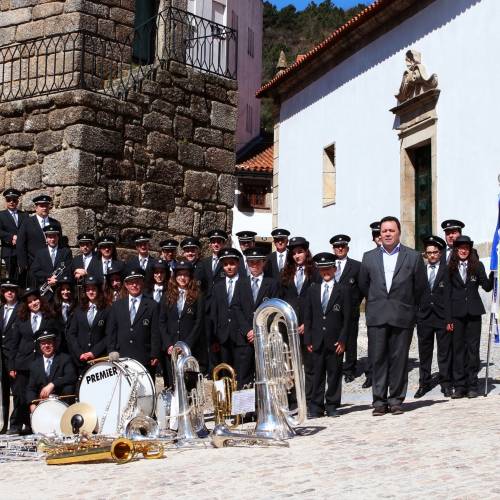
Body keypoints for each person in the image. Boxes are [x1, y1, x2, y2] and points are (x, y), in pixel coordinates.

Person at [359, 216, 426, 416]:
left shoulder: (412, 257)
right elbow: (364, 284)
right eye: (384, 231)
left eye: (391, 230)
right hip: (377, 315)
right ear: (380, 234)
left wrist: (410, 310)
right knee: (377, 358)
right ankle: (379, 401)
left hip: (402, 315)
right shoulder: (368, 257)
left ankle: (396, 400)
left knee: (399, 359)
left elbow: (420, 287)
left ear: (399, 233)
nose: (387, 234)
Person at [304, 252, 351, 418]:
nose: (326, 272)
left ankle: (332, 405)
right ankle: (316, 406)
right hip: (316, 340)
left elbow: (347, 319)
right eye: (322, 269)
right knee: (317, 374)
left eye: (329, 269)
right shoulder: (313, 289)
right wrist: (308, 338)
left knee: (334, 373)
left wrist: (343, 340)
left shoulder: (343, 290)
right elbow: (308, 316)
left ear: (334, 269)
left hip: (335, 340)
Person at [446, 235, 493, 399]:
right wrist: (448, 319)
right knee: (458, 350)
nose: (463, 251)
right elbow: (447, 294)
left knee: (473, 350)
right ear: (456, 250)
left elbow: (487, 287)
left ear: (469, 249)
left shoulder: (477, 265)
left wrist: (494, 273)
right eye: (460, 248)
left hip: (473, 313)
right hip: (456, 314)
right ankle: (460, 386)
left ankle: (473, 385)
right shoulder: (449, 267)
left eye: (466, 248)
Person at [6, 287, 58, 434]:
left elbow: (57, 338)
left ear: (40, 300)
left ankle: (33, 425)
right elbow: (13, 343)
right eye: (29, 302)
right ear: (26, 305)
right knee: (20, 396)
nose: (33, 303)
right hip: (22, 363)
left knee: (36, 395)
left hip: (40, 363)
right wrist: (11, 366)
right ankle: (16, 425)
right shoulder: (21, 318)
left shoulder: (49, 317)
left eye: (35, 300)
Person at [232, 247, 279, 388]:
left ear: (263, 263)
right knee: (244, 375)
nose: (254, 265)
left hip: (264, 336)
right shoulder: (241, 283)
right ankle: (246, 409)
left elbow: (274, 309)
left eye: (257, 262)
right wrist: (248, 330)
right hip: (245, 338)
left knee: (265, 373)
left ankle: (264, 407)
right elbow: (236, 307)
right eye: (251, 262)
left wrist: (259, 330)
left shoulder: (272, 283)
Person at [279, 237, 318, 406]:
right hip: (289, 326)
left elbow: (318, 302)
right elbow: (281, 300)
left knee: (310, 365)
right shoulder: (285, 274)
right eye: (294, 253)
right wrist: (288, 322)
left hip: (308, 326)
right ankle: (294, 399)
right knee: (291, 365)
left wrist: (307, 324)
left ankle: (310, 399)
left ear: (306, 252)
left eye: (300, 252)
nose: (297, 256)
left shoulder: (314, 273)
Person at [415, 235, 452, 398]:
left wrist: (449, 319)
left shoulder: (447, 270)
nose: (432, 255)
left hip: (441, 317)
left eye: (435, 252)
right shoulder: (420, 270)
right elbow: (415, 293)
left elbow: (450, 297)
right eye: (428, 252)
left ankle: (445, 382)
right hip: (424, 317)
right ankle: (424, 383)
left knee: (444, 352)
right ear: (425, 254)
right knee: (424, 352)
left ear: (440, 253)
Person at [106, 268, 160, 380]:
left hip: (144, 356)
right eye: (131, 282)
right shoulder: (117, 306)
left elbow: (155, 332)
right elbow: (111, 331)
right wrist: (111, 350)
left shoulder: (152, 305)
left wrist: (154, 353)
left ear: (143, 283)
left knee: (146, 392)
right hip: (122, 356)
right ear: (125, 285)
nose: (134, 285)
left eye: (137, 282)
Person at [160, 260, 205, 386]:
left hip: (190, 347)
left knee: (189, 384)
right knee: (171, 383)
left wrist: (187, 345)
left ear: (190, 277)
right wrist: (168, 344)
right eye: (179, 275)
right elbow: (162, 322)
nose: (182, 278)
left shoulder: (198, 296)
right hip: (171, 348)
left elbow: (199, 322)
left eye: (186, 275)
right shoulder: (167, 295)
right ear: (175, 277)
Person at [329, 234, 363, 385]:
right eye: (337, 246)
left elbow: (361, 289)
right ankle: (333, 367)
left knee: (350, 341)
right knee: (332, 339)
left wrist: (353, 305)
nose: (340, 248)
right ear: (333, 249)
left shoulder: (357, 266)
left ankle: (349, 369)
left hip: (350, 311)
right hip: (332, 312)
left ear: (347, 248)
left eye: (342, 246)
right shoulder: (328, 265)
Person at [66, 275, 109, 374]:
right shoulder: (78, 310)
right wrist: (80, 353)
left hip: (99, 359)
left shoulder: (107, 310)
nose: (91, 292)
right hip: (81, 360)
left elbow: (109, 335)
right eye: (88, 289)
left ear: (98, 290)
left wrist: (94, 352)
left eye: (93, 289)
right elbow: (71, 333)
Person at [17, 194, 63, 286]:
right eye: (41, 206)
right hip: (34, 266)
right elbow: (20, 244)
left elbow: (60, 243)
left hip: (52, 265)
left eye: (46, 205)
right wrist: (23, 265)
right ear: (36, 208)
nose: (44, 208)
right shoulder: (27, 223)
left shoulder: (55, 223)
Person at [27, 330, 77, 414]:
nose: (46, 346)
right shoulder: (34, 365)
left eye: (49, 342)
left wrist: (52, 384)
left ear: (55, 343)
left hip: (61, 404)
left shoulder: (65, 359)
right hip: (42, 403)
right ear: (40, 346)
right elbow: (31, 388)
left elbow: (71, 376)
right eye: (43, 343)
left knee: (69, 387)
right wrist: (32, 404)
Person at [211, 248, 244, 368]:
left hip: (240, 335)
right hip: (222, 336)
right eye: (225, 264)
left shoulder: (245, 283)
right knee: (225, 370)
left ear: (238, 264)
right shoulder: (217, 287)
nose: (229, 267)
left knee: (240, 370)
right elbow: (214, 313)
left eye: (232, 264)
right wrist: (214, 337)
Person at [0, 279, 20, 433]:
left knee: (17, 392)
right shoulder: (1, 310)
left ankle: (15, 425)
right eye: (6, 289)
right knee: (3, 393)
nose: (9, 292)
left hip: (14, 357)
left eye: (12, 290)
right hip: (1, 359)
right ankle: (3, 424)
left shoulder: (21, 310)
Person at [30, 225, 73, 289]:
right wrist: (49, 278)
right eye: (50, 237)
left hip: (61, 289)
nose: (52, 239)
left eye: (54, 236)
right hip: (45, 290)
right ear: (46, 239)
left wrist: (57, 280)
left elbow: (69, 269)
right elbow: (35, 271)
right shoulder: (40, 253)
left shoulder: (66, 252)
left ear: (58, 237)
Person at [0, 188, 27, 281]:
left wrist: (20, 238)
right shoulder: (1, 215)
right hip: (9, 251)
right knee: (11, 275)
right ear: (6, 201)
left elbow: (27, 230)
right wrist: (12, 237)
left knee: (24, 275)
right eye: (9, 200)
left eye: (14, 200)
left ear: (18, 201)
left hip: (23, 251)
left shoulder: (24, 215)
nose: (11, 202)